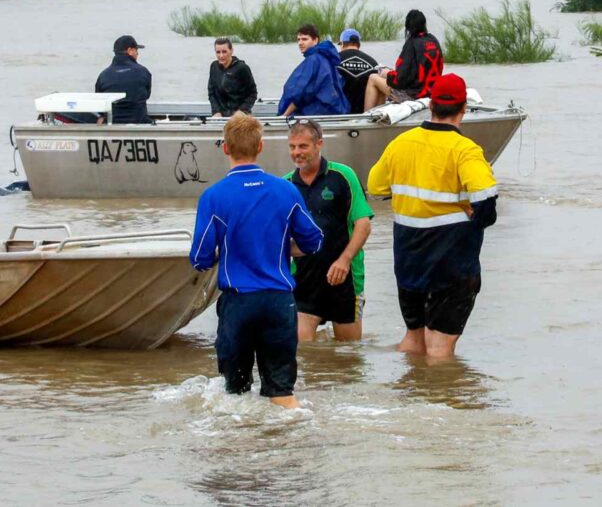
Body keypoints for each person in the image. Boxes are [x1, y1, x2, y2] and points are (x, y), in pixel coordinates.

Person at [190, 112, 324, 408]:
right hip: (279, 301)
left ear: (225, 148)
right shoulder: (286, 190)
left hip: (238, 303)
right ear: (260, 146)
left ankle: (243, 448)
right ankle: (296, 439)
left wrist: (225, 252)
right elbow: (313, 241)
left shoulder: (213, 197)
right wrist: (280, 247)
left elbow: (199, 257)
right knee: (281, 391)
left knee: (235, 395)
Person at [368, 73, 498, 360]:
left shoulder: (402, 143)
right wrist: (470, 214)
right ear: (463, 109)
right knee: (440, 350)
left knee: (414, 339)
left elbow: (376, 187)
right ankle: (435, 402)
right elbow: (487, 205)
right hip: (451, 265)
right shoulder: (465, 151)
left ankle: (409, 393)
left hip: (408, 259)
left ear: (430, 106)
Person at [283, 120, 373, 342]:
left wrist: (344, 260)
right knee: (301, 350)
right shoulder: (285, 185)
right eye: (292, 147)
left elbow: (363, 224)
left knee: (349, 354)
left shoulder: (343, 176)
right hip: (302, 280)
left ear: (319, 144)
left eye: (303, 146)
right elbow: (275, 234)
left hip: (345, 278)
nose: (297, 153)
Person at [363, 10, 444, 110]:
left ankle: (366, 117)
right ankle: (377, 113)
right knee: (384, 79)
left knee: (373, 77)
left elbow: (401, 80)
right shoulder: (433, 40)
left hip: (413, 96)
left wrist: (387, 74)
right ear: (424, 24)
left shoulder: (411, 44)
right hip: (431, 93)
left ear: (408, 27)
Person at [278, 24, 349, 117]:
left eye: (304, 39)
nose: (300, 43)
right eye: (298, 39)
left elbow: (301, 92)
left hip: (317, 110)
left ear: (315, 40)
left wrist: (284, 115)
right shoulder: (326, 57)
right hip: (334, 108)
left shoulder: (313, 60)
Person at [95, 35, 152, 124]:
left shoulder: (104, 75)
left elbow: (100, 104)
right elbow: (146, 95)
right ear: (130, 51)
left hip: (113, 129)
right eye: (136, 50)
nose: (138, 53)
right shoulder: (143, 72)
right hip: (139, 127)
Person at [207, 37, 257, 117]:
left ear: (231, 51)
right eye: (218, 52)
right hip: (220, 115)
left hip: (240, 116)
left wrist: (242, 111)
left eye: (224, 52)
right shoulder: (214, 66)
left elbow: (252, 93)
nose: (221, 55)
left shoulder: (242, 68)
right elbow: (211, 92)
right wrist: (216, 111)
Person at [336, 28, 379, 113]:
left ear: (343, 44)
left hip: (340, 115)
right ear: (358, 44)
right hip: (364, 114)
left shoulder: (333, 60)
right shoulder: (372, 63)